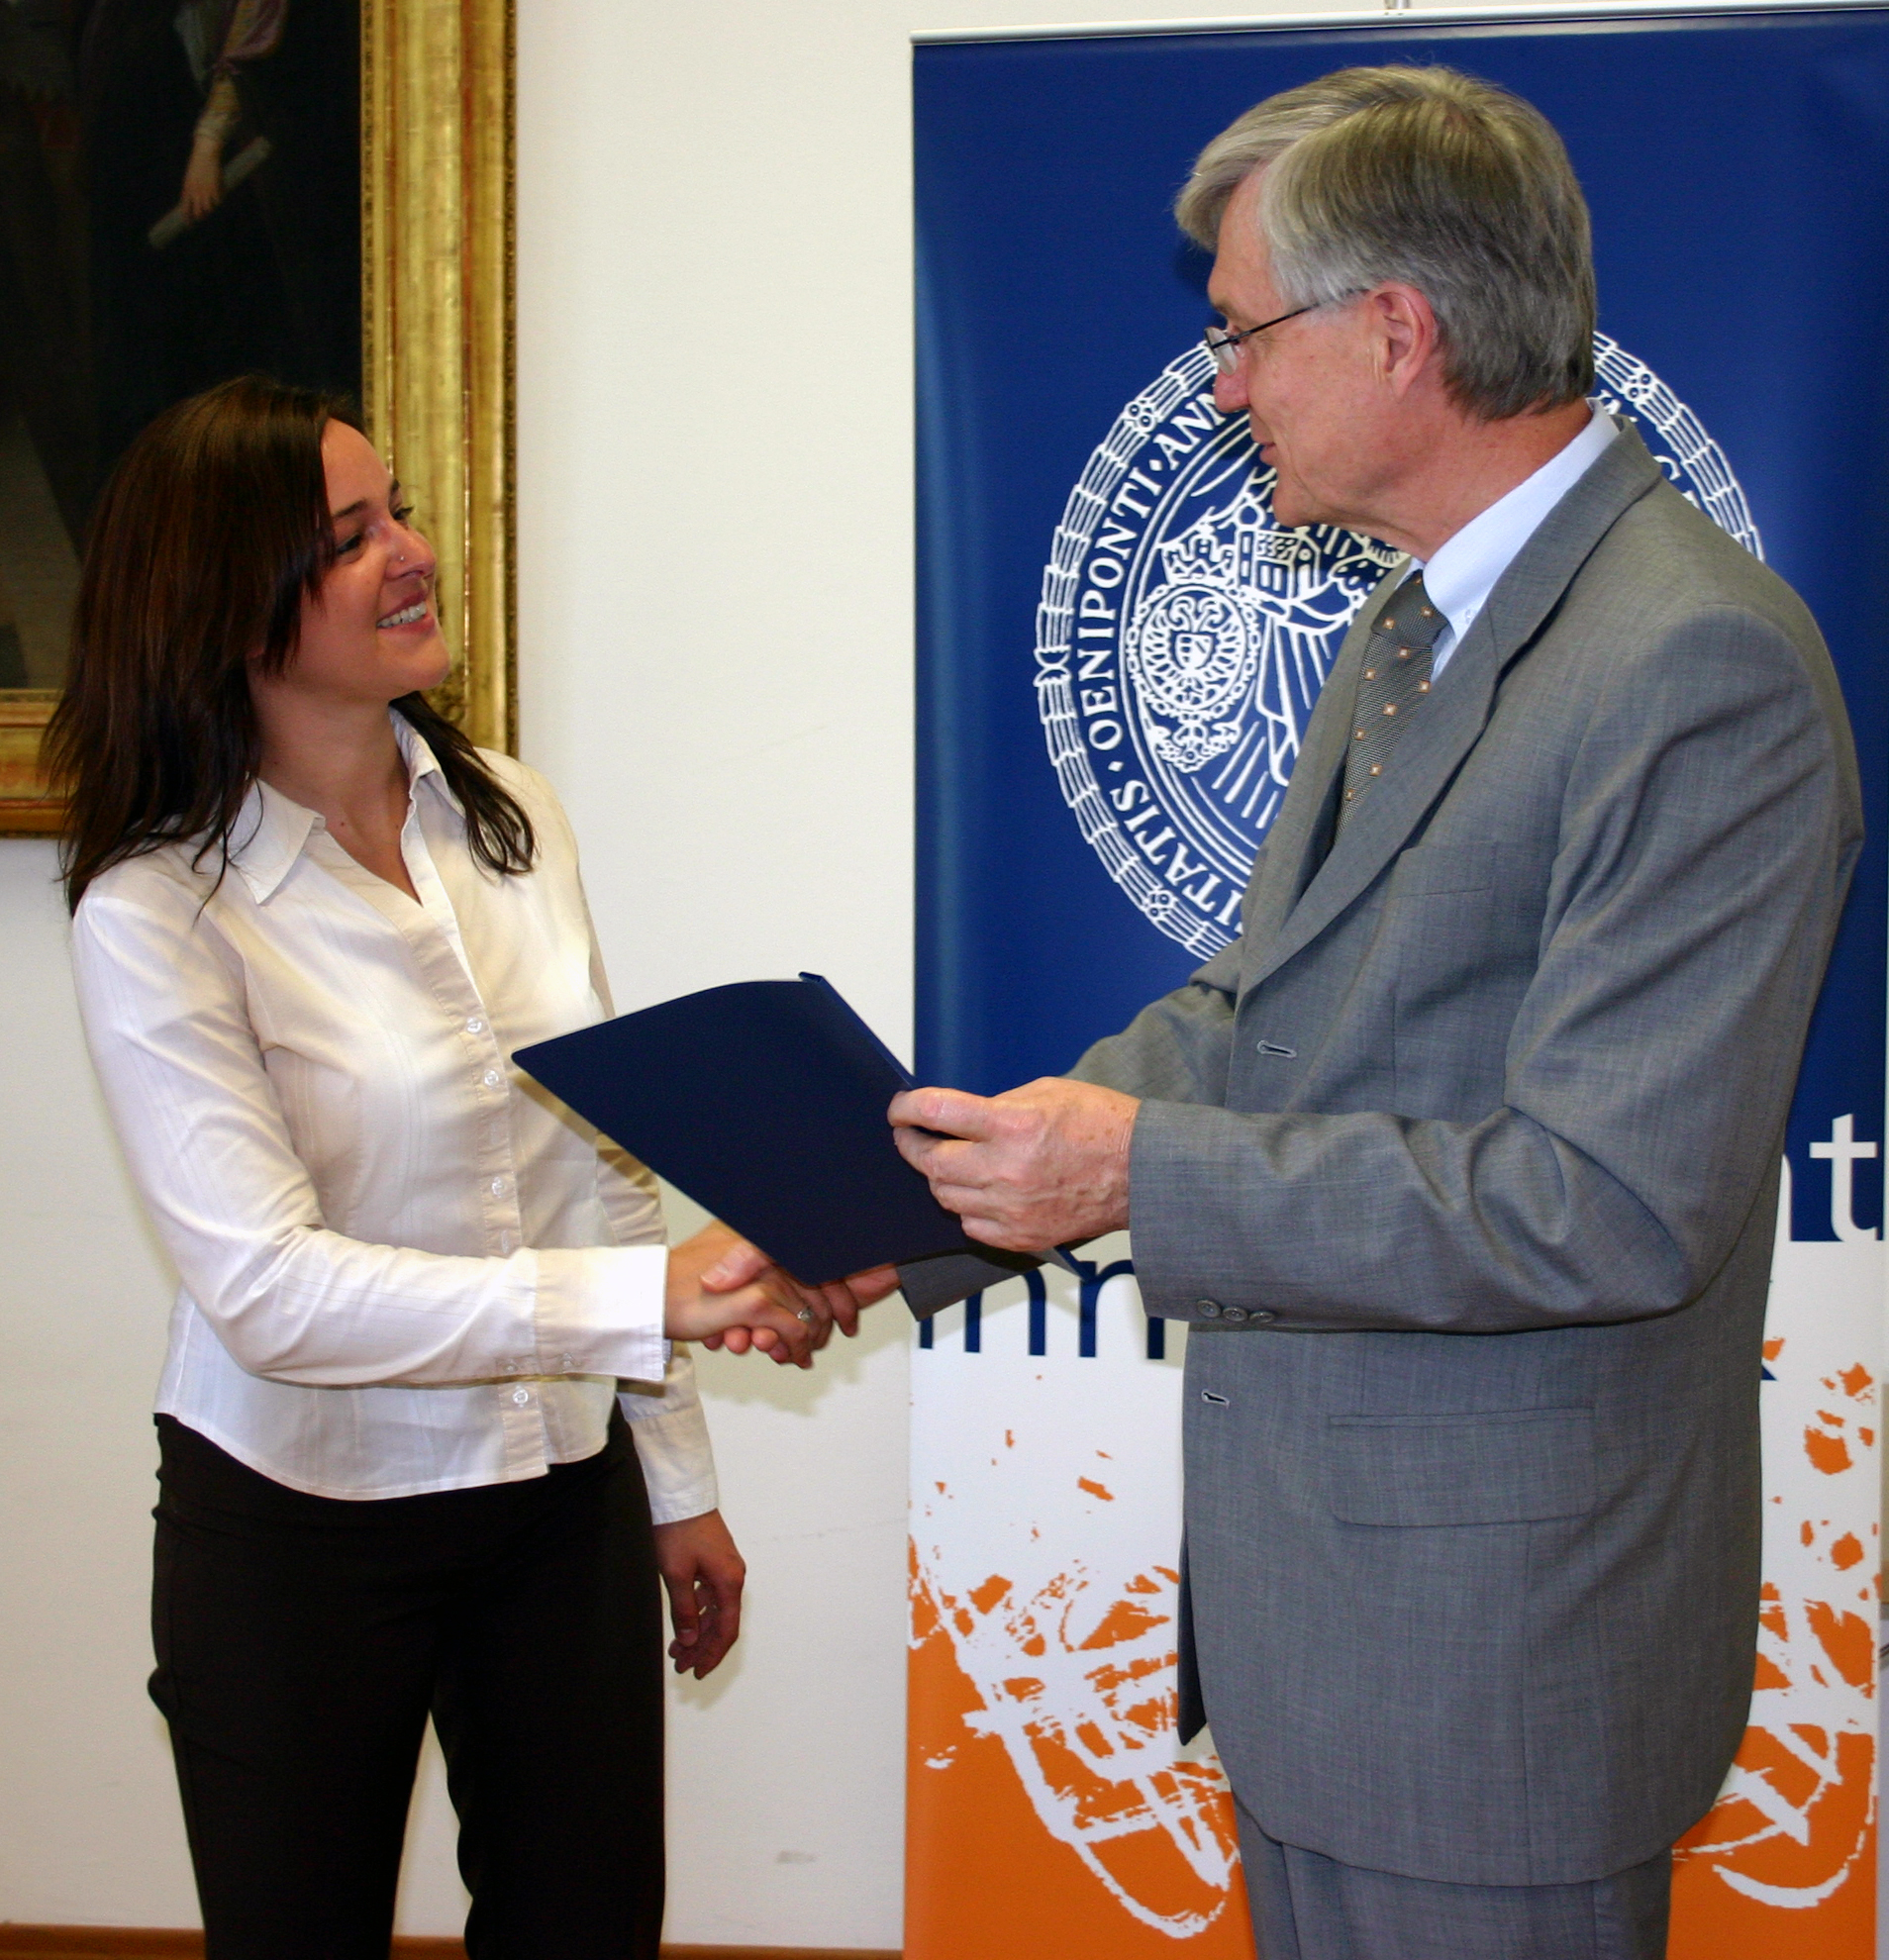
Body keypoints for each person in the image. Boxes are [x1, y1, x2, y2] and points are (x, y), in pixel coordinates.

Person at [891, 65, 1860, 1960]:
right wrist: (910, 1207)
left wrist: (1134, 1177)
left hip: (1503, 1673)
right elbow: (1255, 1012)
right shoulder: (1405, 628)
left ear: (1397, 330)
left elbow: (1608, 1204)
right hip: (1322, 1643)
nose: (1223, 386)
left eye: (1244, 332)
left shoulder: (1697, 663)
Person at [50, 375, 890, 1960]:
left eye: (403, 511)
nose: (413, 551)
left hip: (556, 1496)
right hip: (298, 1523)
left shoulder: (512, 814)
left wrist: (677, 1485)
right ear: (229, 603)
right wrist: (649, 1300)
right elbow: (270, 1294)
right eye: (351, 535)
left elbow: (603, 1165)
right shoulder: (155, 908)